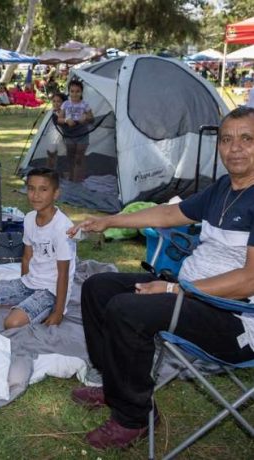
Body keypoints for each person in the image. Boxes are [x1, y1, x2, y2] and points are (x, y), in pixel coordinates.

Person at [66, 106, 254, 451]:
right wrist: (110, 220)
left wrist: (174, 289)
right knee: (98, 287)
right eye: (227, 139)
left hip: (234, 316)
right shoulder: (223, 189)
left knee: (128, 310)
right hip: (193, 296)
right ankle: (115, 388)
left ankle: (133, 419)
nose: (235, 148)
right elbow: (170, 213)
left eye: (247, 139)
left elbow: (249, 280)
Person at [0, 168, 76, 329]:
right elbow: (27, 256)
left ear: (56, 193)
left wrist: (58, 312)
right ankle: (26, 305)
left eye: (43, 189)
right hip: (29, 282)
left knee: (12, 323)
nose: (36, 195)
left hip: (51, 290)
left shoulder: (63, 228)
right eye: (31, 188)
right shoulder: (29, 218)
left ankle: (44, 308)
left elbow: (64, 273)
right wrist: (23, 285)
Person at [57, 80, 93, 182]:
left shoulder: (85, 104)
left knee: (80, 156)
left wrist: (85, 117)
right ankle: (72, 176)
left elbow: (92, 119)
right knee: (71, 155)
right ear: (69, 92)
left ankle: (79, 178)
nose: (74, 94)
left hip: (82, 133)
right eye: (72, 91)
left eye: (77, 91)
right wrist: (66, 120)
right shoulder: (65, 104)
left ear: (82, 92)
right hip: (69, 134)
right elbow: (59, 119)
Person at [47, 92, 67, 170]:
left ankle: (63, 172)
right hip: (54, 136)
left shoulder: (66, 113)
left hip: (64, 137)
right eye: (54, 101)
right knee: (51, 152)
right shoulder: (53, 113)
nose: (55, 103)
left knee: (63, 153)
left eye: (58, 101)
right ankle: (49, 170)